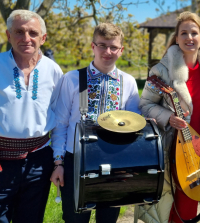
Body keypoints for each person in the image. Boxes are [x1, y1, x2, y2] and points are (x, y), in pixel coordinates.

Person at [0, 9, 63, 223]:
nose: (26, 38)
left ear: (43, 38)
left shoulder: (54, 71)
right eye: (19, 32)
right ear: (8, 35)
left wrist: (57, 161)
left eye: (33, 33)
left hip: (38, 163)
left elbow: (58, 117)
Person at [135, 11, 200, 223]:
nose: (189, 38)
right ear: (177, 37)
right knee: (166, 205)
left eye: (194, 32)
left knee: (189, 203)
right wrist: (168, 117)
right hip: (169, 147)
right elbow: (144, 105)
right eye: (184, 33)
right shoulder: (162, 70)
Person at [50, 23, 141, 222]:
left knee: (108, 219)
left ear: (121, 50)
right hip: (76, 161)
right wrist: (58, 162)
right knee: (75, 219)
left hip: (115, 163)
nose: (107, 52)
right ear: (93, 47)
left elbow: (134, 128)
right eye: (102, 45)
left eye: (113, 47)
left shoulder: (129, 82)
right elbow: (60, 124)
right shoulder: (73, 79)